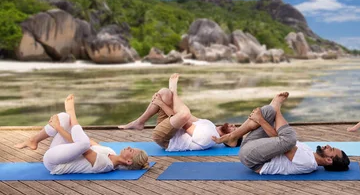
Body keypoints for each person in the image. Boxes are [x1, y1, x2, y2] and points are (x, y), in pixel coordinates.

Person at [213, 92, 350, 175]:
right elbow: (278, 140)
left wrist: (261, 120)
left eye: (330, 149)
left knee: (289, 138)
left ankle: (276, 107)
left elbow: (284, 142)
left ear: (328, 160)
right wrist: (264, 118)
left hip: (252, 158)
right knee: (268, 111)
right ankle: (233, 137)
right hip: (256, 146)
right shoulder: (307, 150)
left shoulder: (308, 163)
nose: (327, 145)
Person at [15, 94, 149, 175]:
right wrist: (61, 126)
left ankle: (71, 111)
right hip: (61, 152)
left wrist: (58, 127)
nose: (129, 147)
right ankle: (34, 140)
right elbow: (86, 141)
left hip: (54, 162)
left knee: (82, 142)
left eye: (131, 150)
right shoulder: (110, 151)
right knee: (64, 117)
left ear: (128, 161)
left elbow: (81, 145)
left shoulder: (105, 165)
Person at [119, 73, 240, 151]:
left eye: (234, 130)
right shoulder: (210, 125)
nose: (233, 126)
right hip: (171, 125)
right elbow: (187, 116)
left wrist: (164, 102)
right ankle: (140, 122)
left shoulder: (209, 137)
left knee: (183, 113)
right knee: (165, 93)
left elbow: (183, 121)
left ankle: (173, 90)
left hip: (165, 138)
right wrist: (169, 98)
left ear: (229, 140)